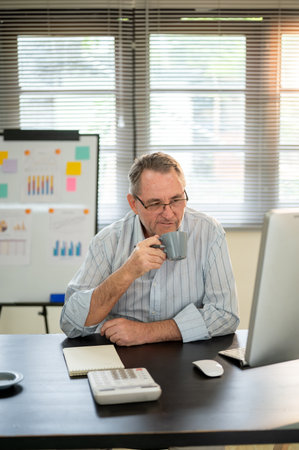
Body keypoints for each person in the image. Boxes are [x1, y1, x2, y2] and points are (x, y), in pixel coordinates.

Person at [60, 152, 239, 345]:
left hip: (187, 357)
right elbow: (71, 324)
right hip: (122, 357)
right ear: (134, 204)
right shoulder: (108, 241)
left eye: (176, 200)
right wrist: (127, 272)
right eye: (155, 204)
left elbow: (225, 315)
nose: (169, 214)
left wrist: (148, 332)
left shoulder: (209, 232)